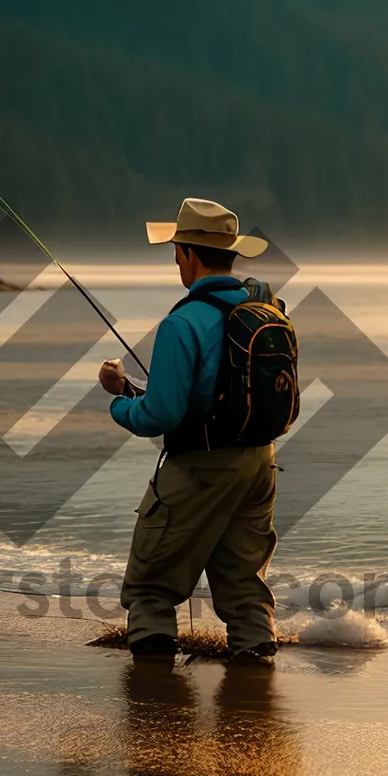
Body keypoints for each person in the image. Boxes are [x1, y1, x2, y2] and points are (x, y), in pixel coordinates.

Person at [98, 198, 282, 663]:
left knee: (150, 587)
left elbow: (160, 416)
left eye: (176, 250)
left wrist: (119, 402)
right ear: (231, 253)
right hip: (261, 462)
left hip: (201, 465)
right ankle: (256, 681)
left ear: (186, 253)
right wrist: (139, 391)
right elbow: (211, 394)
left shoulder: (182, 322)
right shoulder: (268, 308)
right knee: (243, 583)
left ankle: (154, 699)